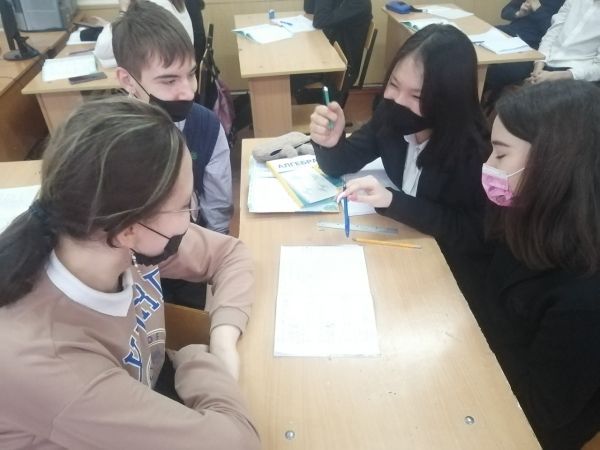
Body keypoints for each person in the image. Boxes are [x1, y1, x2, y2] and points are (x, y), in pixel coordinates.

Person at [0, 97, 259, 449]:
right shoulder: (48, 359)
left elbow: (231, 254)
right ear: (128, 230)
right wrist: (197, 359)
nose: (191, 217)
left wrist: (223, 341)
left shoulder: (104, 236)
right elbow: (236, 443)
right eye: (185, 205)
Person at [310, 25, 491, 307]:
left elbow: (471, 233)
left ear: (449, 99)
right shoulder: (390, 114)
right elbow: (342, 163)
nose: (398, 101)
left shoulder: (474, 152)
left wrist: (394, 202)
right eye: (393, 84)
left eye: (417, 96)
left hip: (444, 274)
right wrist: (331, 143)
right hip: (398, 250)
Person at [479, 80, 600, 450]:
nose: (488, 165)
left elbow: (540, 413)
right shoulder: (529, 213)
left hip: (522, 423)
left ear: (553, 164)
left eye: (501, 155)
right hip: (487, 364)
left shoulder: (584, 298)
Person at [113, 1, 234, 307]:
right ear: (127, 80)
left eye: (191, 74)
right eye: (168, 80)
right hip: (125, 271)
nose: (188, 91)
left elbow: (218, 207)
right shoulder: (108, 140)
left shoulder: (206, 125)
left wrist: (213, 258)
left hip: (188, 255)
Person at [484, 0, 600, 101]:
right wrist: (538, 65)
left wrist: (560, 75)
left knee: (538, 98)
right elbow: (551, 33)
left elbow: (597, 68)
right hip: (546, 57)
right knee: (496, 71)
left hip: (574, 70)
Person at [292, 0, 372, 102]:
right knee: (290, 70)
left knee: (287, 78)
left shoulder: (358, 3)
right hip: (327, 55)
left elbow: (320, 21)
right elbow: (309, 9)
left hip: (340, 69)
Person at [94, 0, 194, 68]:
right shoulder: (171, 3)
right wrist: (109, 25)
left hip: (162, 78)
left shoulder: (152, 5)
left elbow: (102, 50)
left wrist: (124, 10)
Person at [496, 0, 565, 49]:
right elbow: (505, 12)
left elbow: (553, 32)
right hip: (509, 32)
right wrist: (519, 13)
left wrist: (538, 9)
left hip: (530, 43)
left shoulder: (566, 3)